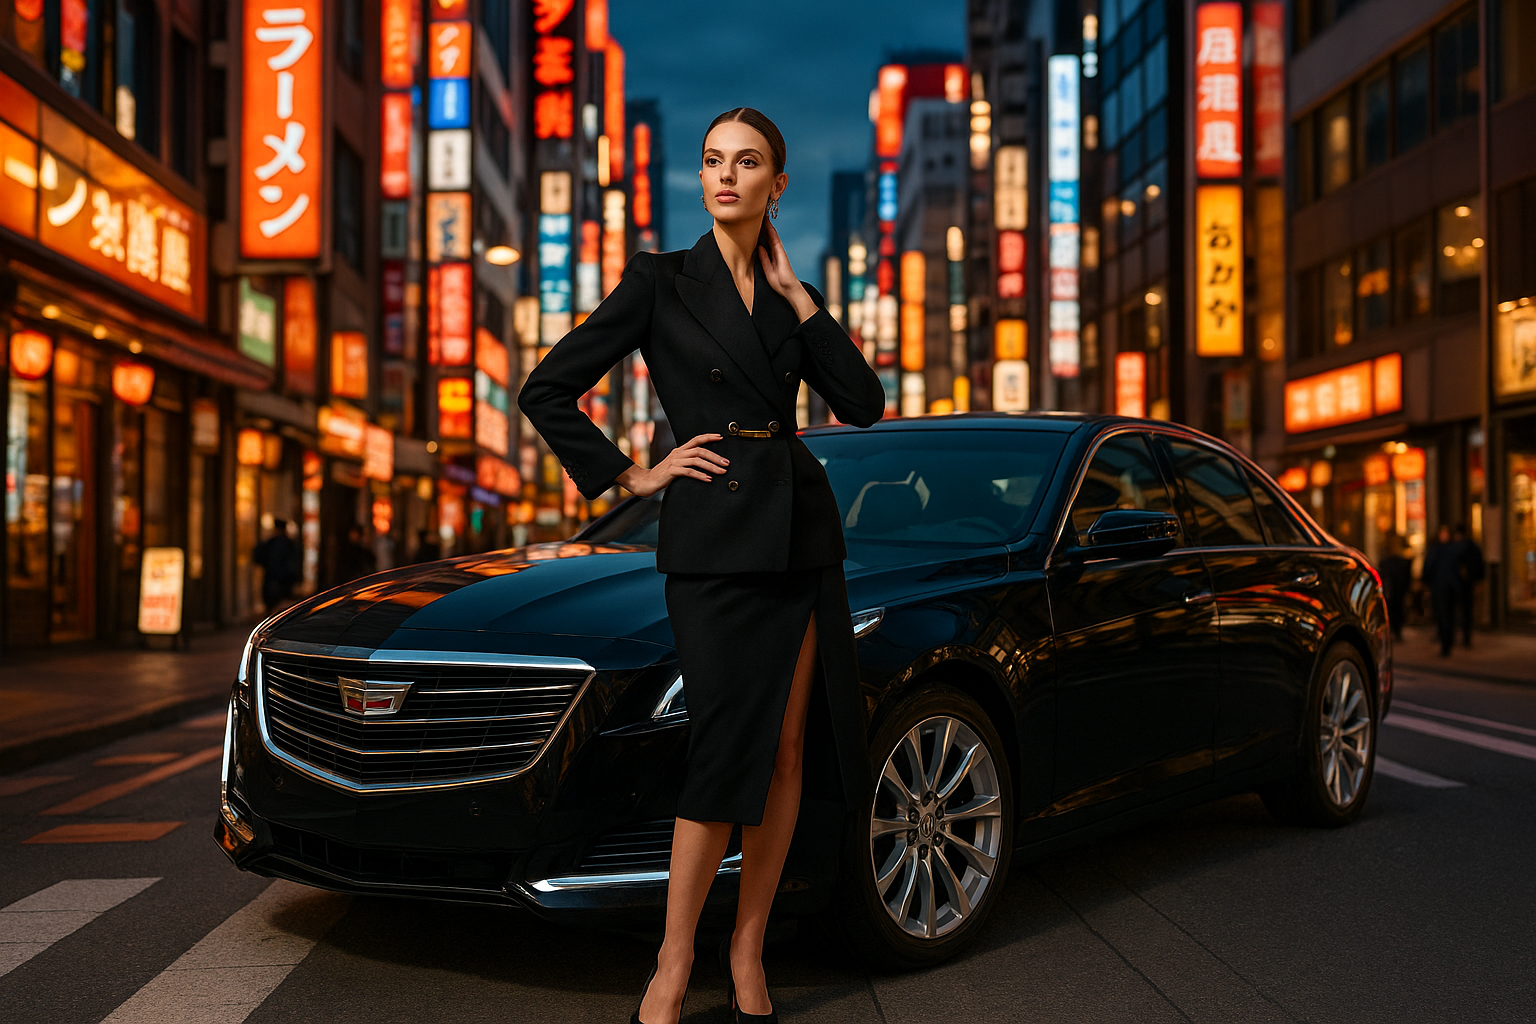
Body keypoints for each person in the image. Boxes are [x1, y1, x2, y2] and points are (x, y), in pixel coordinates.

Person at [519, 108, 885, 1024]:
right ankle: (673, 960)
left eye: (748, 162)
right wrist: (633, 473)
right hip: (713, 540)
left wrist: (803, 299)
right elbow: (547, 388)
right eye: (714, 161)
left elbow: (866, 404)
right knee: (724, 746)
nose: (727, 176)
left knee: (791, 749)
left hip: (800, 531)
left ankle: (748, 951)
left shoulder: (790, 295)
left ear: (777, 184)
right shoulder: (657, 281)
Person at [1422, 523, 1463, 656]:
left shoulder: (1453, 550)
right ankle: (1445, 642)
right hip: (1440, 587)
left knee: (1448, 616)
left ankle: (1448, 641)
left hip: (1449, 587)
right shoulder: (1437, 550)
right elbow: (1428, 567)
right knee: (1442, 615)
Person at [252, 518, 300, 611]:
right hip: (282, 580)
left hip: (274, 580)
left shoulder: (273, 542)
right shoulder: (288, 543)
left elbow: (260, 558)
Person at [1452, 523, 1485, 647]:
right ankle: (1466, 637)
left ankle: (1456, 635)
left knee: (1455, 611)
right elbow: (1479, 566)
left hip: (1457, 585)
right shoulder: (1472, 547)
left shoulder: (1454, 548)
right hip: (1467, 584)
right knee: (1467, 611)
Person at [1379, 536, 1413, 641]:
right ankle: (1395, 631)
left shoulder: (1392, 562)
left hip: (1395, 591)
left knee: (1394, 610)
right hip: (1396, 590)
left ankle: (1395, 631)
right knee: (1396, 610)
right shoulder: (1396, 562)